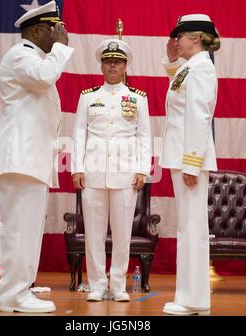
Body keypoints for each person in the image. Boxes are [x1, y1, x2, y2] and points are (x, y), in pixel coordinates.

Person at [0, 1, 74, 313]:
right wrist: (61, 49)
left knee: (28, 230)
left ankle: (21, 288)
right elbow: (43, 78)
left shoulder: (32, 56)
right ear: (37, 30)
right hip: (20, 158)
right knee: (19, 230)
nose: (60, 33)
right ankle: (13, 295)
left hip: (31, 158)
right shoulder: (21, 55)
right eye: (55, 29)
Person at [71, 39, 151, 302]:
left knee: (122, 233)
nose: (112, 65)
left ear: (125, 65)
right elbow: (79, 132)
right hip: (93, 172)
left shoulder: (138, 98)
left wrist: (142, 169)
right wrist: (77, 168)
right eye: (107, 61)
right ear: (101, 65)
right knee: (93, 233)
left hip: (125, 173)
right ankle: (96, 284)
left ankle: (117, 286)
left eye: (117, 61)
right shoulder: (88, 96)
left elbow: (144, 136)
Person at [160, 14, 221, 315]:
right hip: (184, 156)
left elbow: (198, 117)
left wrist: (192, 164)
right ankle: (188, 295)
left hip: (189, 158)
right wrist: (173, 63)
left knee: (193, 229)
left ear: (196, 37)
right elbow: (180, 98)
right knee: (187, 228)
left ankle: (194, 299)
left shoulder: (201, 69)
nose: (175, 41)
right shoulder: (192, 67)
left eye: (179, 36)